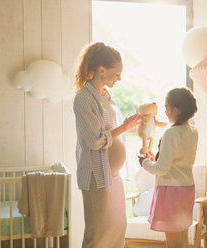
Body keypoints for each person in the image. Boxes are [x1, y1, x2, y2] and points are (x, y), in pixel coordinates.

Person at [73, 42, 140, 248]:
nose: (119, 78)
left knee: (118, 227)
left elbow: (111, 132)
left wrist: (129, 128)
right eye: (117, 73)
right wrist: (123, 127)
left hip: (112, 174)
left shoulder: (106, 95)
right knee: (99, 233)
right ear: (102, 70)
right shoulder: (83, 99)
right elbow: (95, 141)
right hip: (96, 175)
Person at [138, 87, 198, 248]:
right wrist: (154, 159)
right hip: (186, 190)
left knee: (172, 243)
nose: (164, 112)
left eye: (166, 108)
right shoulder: (193, 131)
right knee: (183, 241)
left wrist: (144, 163)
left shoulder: (171, 133)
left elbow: (161, 169)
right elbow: (177, 161)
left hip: (171, 192)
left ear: (176, 110)